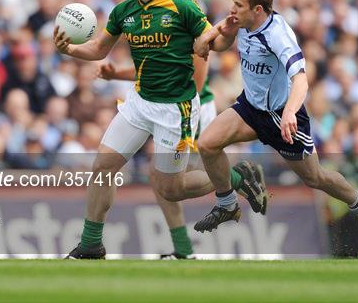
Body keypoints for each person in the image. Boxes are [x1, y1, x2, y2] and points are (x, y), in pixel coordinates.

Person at [54, 0, 266, 259]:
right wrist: (69, 48)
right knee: (102, 167)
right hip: (139, 103)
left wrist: (229, 31)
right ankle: (91, 245)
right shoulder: (123, 11)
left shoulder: (182, 6)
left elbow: (215, 42)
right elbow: (99, 48)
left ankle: (236, 177)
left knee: (170, 188)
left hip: (174, 110)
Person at [192, 0, 358, 243]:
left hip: (281, 116)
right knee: (208, 144)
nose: (232, 9)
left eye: (238, 5)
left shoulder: (278, 36)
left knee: (315, 178)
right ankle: (227, 204)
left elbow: (301, 79)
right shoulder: (243, 20)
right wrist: (211, 37)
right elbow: (225, 35)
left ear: (258, 10)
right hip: (251, 109)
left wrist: (290, 112)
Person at [99, 54, 267, 259]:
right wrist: (117, 74)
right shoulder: (154, 25)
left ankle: (237, 176)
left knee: (168, 182)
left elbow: (193, 73)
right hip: (166, 105)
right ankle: (183, 249)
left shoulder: (182, 23)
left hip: (187, 108)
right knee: (160, 177)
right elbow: (152, 68)